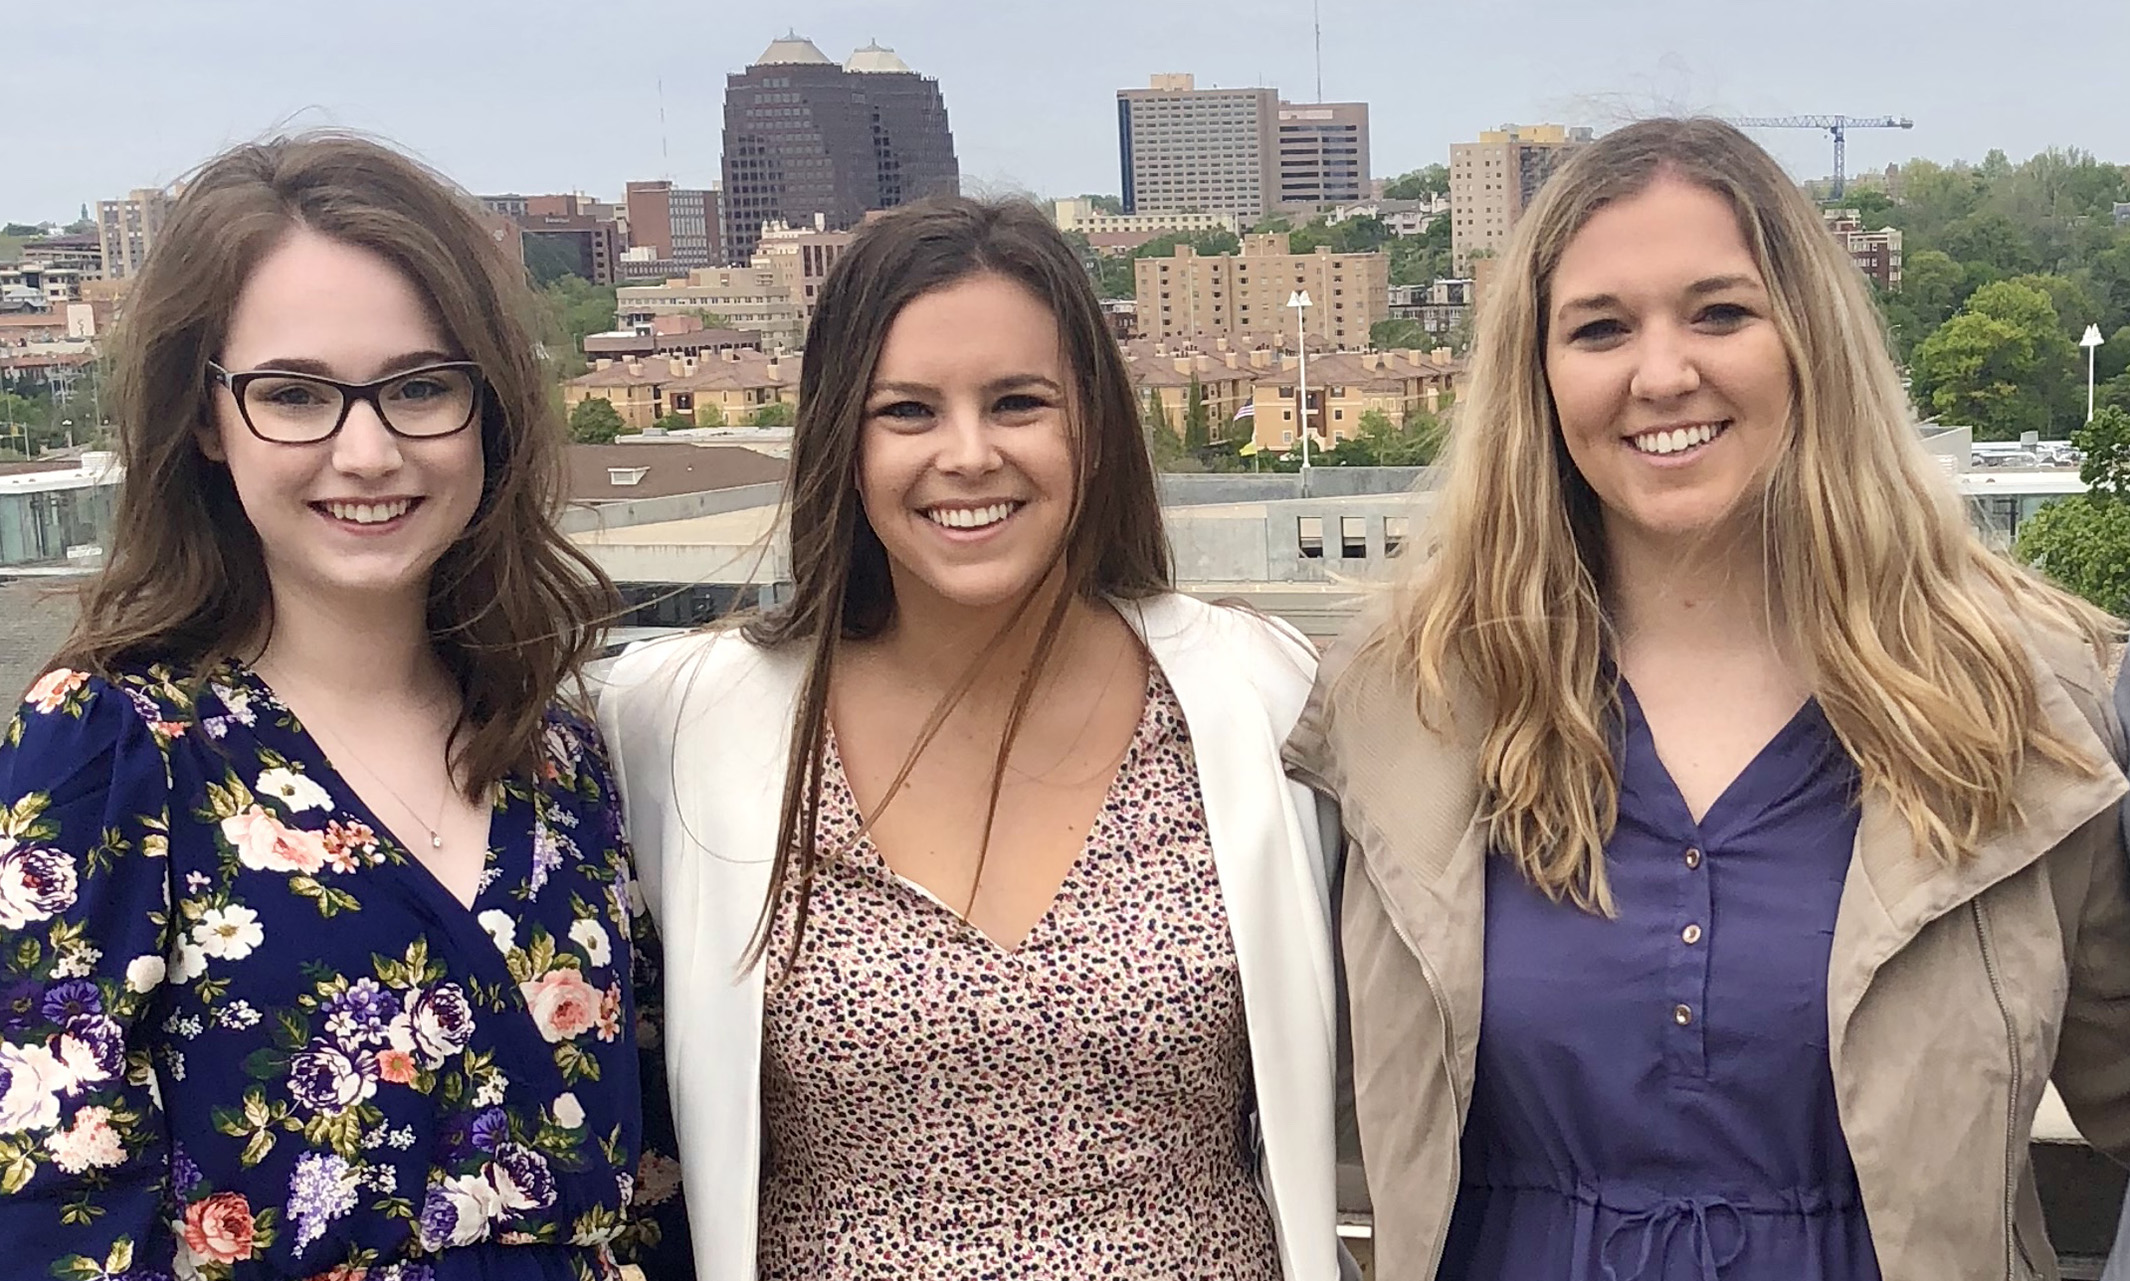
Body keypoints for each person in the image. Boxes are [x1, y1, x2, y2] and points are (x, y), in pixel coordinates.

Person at [1284, 117, 2130, 1281]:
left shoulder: (2022, 701)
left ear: (1810, 340)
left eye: (1720, 312)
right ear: (1537, 373)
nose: (1662, 372)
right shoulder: (1407, 704)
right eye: (1600, 328)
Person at [598, 197, 1341, 1280]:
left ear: (1092, 422)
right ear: (839, 442)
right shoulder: (679, 720)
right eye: (906, 410)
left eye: (1018, 402)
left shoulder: (1259, 696)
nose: (968, 453)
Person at [0, 135, 683, 1280]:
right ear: (208, 420)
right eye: (296, 395)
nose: (366, 451)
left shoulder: (560, 757)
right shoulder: (115, 748)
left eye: (420, 386)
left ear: (487, 411)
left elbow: (650, 1176)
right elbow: (46, 1201)